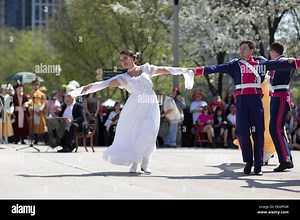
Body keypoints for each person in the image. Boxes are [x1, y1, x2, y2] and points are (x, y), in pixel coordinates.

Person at [73, 49, 193, 174]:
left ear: (133, 58)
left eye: (125, 58)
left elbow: (167, 69)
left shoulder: (146, 69)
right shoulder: (123, 77)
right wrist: (90, 86)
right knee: (135, 133)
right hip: (135, 106)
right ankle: (135, 162)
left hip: (150, 103)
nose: (123, 62)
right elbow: (105, 83)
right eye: (120, 60)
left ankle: (146, 159)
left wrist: (184, 70)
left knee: (150, 130)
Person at [190, 40, 300, 175]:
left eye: (244, 48)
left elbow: (279, 63)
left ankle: (258, 165)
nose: (241, 51)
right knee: (242, 132)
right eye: (240, 48)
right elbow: (217, 67)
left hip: (255, 101)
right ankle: (248, 160)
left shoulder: (262, 63)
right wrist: (198, 71)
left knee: (258, 132)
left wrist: (292, 61)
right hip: (241, 102)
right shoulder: (235, 64)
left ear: (251, 50)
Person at [268, 42, 296, 172]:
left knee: (276, 128)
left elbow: (293, 64)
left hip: (280, 97)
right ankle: (286, 158)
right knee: (276, 128)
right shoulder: (278, 63)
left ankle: (285, 159)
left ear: (273, 51)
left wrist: (292, 61)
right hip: (276, 96)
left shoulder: (284, 61)